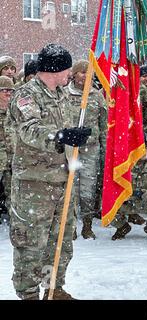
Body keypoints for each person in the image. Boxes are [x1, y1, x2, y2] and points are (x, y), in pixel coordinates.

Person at [8, 44, 91, 300]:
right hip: (34, 185)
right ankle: (30, 294)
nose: (70, 74)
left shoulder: (62, 95)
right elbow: (29, 130)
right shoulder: (27, 95)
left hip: (62, 180)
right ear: (56, 68)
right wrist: (61, 136)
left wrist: (76, 136)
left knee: (61, 242)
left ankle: (54, 288)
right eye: (67, 68)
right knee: (31, 244)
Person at [67, 59, 107, 239]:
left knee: (88, 189)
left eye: (88, 72)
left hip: (91, 148)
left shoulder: (97, 95)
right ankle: (71, 226)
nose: (85, 76)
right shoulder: (65, 94)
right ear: (74, 74)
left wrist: (105, 149)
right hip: (70, 149)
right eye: (82, 72)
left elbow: (104, 125)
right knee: (71, 189)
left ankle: (88, 225)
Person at [0, 76, 14, 224]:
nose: (8, 93)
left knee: (13, 191)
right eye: (4, 90)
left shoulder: (16, 111)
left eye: (11, 90)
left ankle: (14, 222)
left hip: (13, 158)